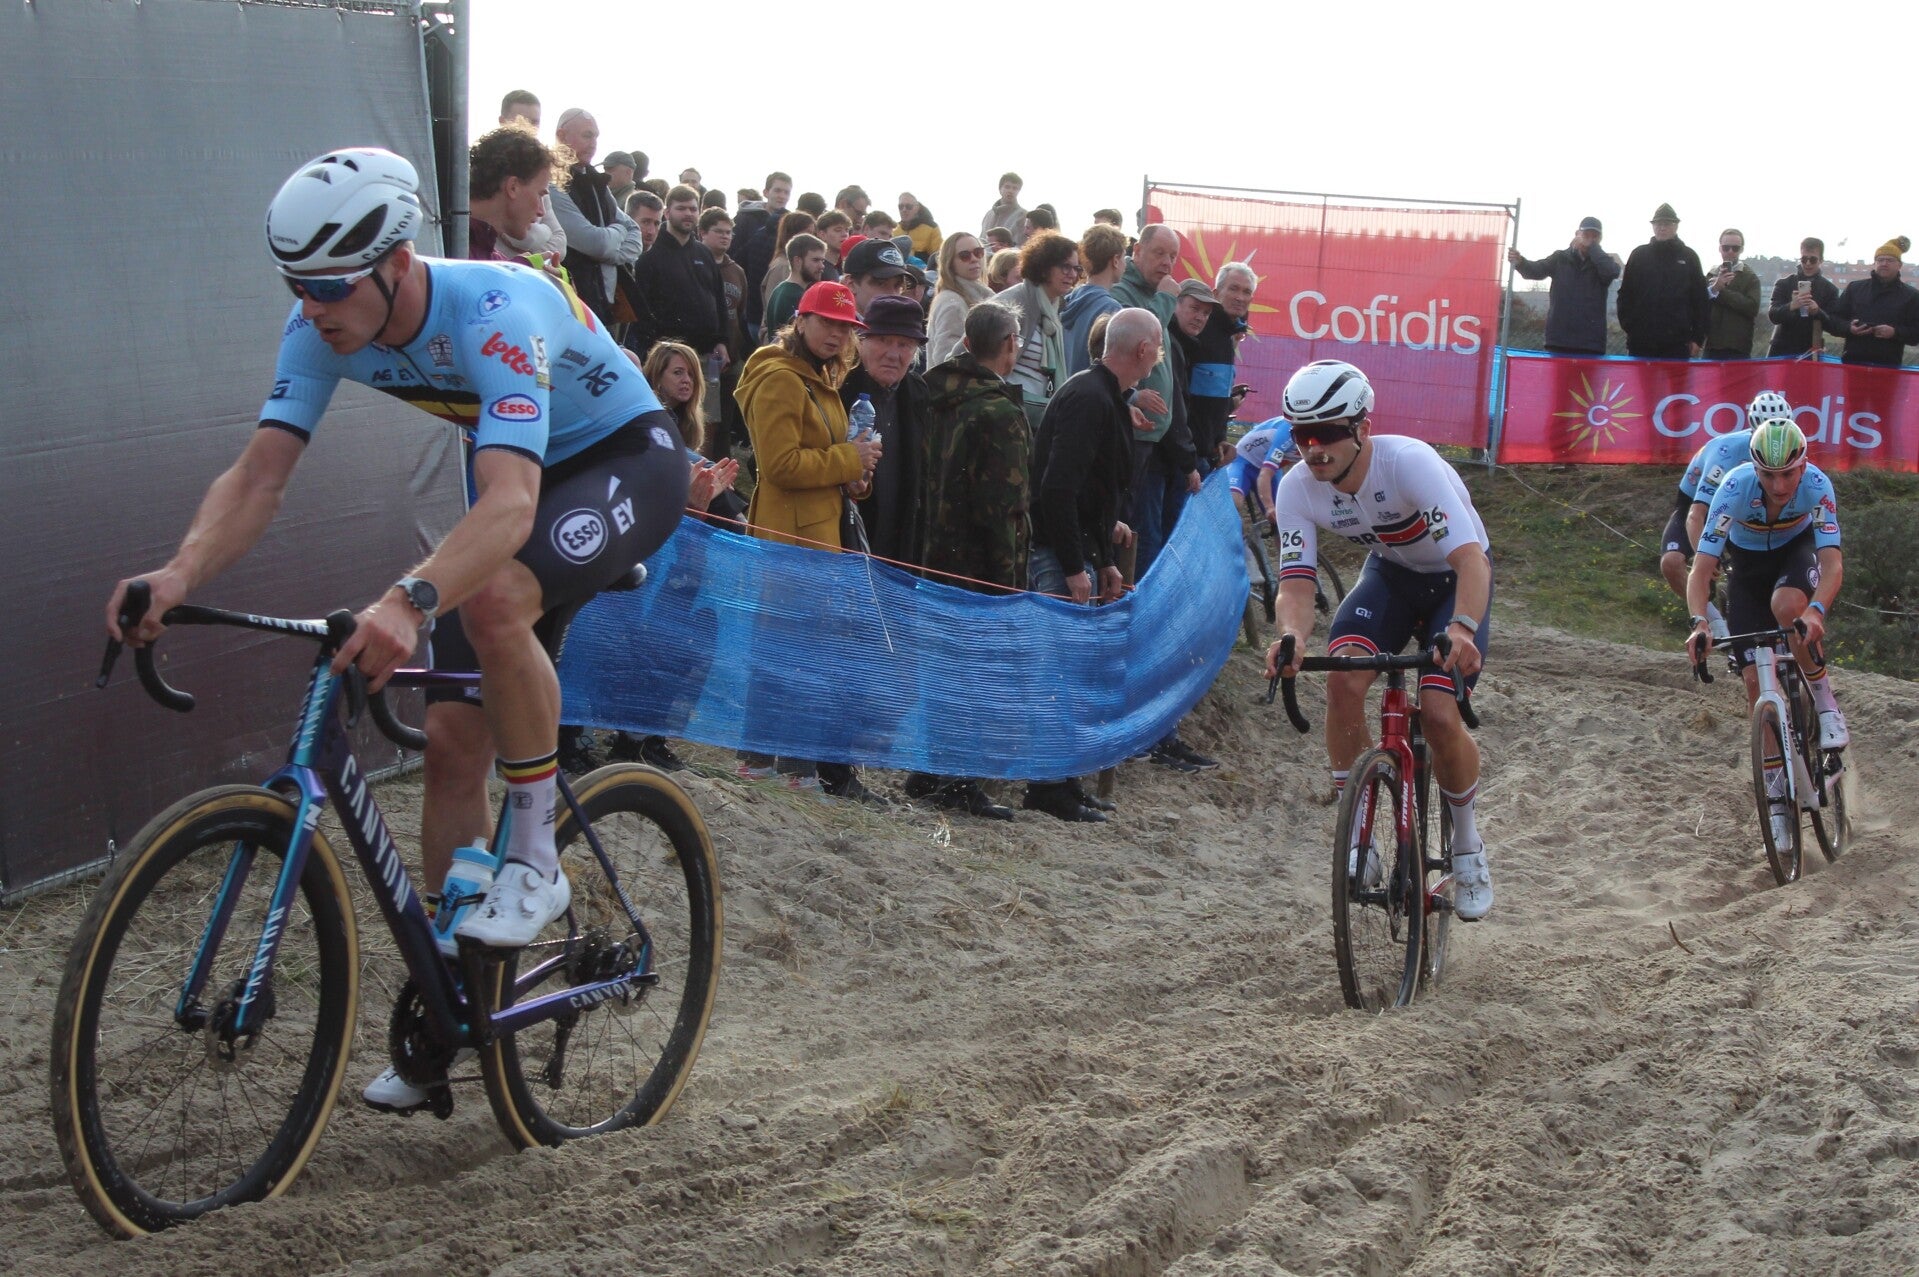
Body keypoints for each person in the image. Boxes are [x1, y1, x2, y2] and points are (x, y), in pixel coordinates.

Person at [106, 148, 691, 1111]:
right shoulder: (319, 323)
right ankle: (451, 1012)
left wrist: (408, 601)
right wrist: (177, 572)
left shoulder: (496, 309)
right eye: (297, 286)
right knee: (453, 745)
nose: (313, 306)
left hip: (624, 459)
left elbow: (511, 507)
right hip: (517, 476)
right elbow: (259, 477)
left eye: (331, 286)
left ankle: (536, 859)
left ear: (397, 263)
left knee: (494, 598)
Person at [1262, 360, 1495, 922]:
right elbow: (1296, 584)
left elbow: (1471, 561)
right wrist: (1291, 636)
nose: (1314, 449)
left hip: (1454, 580)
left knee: (1438, 712)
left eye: (1327, 433)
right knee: (1343, 680)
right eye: (1301, 435)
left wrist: (1462, 628)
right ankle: (1361, 834)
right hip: (1389, 578)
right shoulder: (1297, 488)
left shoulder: (1408, 463)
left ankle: (1468, 845)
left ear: (1362, 427)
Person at [732, 281, 882, 791]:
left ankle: (789, 765)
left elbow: (826, 462)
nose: (837, 334)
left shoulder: (817, 378)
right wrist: (848, 460)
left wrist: (857, 476)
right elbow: (779, 465)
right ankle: (765, 763)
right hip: (789, 536)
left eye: (846, 326)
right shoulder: (780, 378)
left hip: (816, 533)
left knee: (805, 650)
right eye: (827, 322)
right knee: (784, 649)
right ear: (800, 321)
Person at [1024, 309, 1161, 822]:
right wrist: (1073, 565)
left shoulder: (1109, 397)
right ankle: (1046, 786)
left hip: (1079, 549)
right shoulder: (1089, 397)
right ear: (1143, 350)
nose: (1159, 356)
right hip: (1057, 552)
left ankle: (1064, 779)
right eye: (1158, 346)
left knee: (1074, 670)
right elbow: (1057, 488)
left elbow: (1095, 490)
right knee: (1057, 671)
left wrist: (1103, 558)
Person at [1686, 419, 1850, 849]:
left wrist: (1816, 611)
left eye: (1787, 474)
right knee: (1754, 685)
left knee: (1788, 608)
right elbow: (1700, 570)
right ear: (1754, 468)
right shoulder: (1734, 488)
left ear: (1803, 466)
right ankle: (1777, 803)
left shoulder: (1817, 485)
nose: (1778, 485)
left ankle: (1826, 706)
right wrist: (1699, 622)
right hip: (1748, 571)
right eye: (1768, 475)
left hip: (1796, 554)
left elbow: (1832, 564)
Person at [907, 299, 1030, 821]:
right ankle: (958, 780)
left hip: (933, 553)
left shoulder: (934, 396)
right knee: (976, 672)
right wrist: (1009, 584)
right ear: (1008, 345)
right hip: (980, 566)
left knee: (941, 666)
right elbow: (1004, 509)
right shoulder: (999, 412)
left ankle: (927, 769)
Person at [1657, 389, 1790, 636]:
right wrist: (1706, 558)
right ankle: (1714, 623)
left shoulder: (1791, 450)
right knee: (1672, 562)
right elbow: (1696, 515)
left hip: (1741, 509)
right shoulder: (1726, 451)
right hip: (1699, 505)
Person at [1111, 224, 1184, 571]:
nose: (1167, 263)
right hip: (1130, 434)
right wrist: (1168, 299)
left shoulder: (1154, 295)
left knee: (1144, 530)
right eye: (1159, 253)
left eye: (1173, 256)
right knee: (1131, 530)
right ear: (1137, 251)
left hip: (1153, 437)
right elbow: (1136, 343)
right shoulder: (1122, 293)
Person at [548, 108, 642, 324]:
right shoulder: (553, 183)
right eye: (587, 135)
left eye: (596, 137)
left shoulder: (596, 182)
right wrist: (616, 235)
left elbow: (634, 233)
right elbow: (597, 243)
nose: (593, 144)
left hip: (603, 305)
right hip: (572, 305)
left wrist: (610, 254)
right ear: (561, 135)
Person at [628, 184, 730, 367]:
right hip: (665, 358)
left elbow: (719, 300)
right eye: (681, 208)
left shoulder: (704, 253)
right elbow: (640, 313)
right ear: (667, 213)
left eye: (693, 209)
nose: (688, 213)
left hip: (705, 355)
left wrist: (722, 340)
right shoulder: (650, 254)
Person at [1505, 216, 1620, 355]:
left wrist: (1594, 248)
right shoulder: (1560, 258)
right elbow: (1536, 270)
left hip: (1591, 342)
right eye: (1586, 235)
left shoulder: (1603, 262)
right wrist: (1520, 262)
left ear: (1600, 239)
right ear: (1577, 234)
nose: (1589, 240)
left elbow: (1612, 272)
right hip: (1559, 339)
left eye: (1594, 237)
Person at [1003, 231, 1079, 429]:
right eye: (1065, 266)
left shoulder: (1054, 308)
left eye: (1076, 268)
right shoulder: (1013, 304)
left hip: (1034, 420)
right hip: (1008, 419)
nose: (1072, 274)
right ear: (1044, 267)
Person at [465, 126, 568, 268]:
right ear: (513, 187)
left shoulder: (483, 251)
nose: (541, 211)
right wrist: (521, 272)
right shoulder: (444, 246)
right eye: (539, 195)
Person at [1616, 203, 1708, 359]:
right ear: (1653, 226)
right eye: (1658, 224)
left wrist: (1697, 337)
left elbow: (1700, 299)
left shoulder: (1689, 257)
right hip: (1641, 341)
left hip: (1678, 342)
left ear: (1676, 226)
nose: (1662, 228)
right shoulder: (1638, 255)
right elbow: (1625, 294)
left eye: (1667, 224)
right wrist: (1630, 327)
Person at [1826, 239, 1919, 367]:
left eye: (1890, 260)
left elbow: (1915, 333)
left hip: (1889, 366)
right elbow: (1833, 320)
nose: (1884, 263)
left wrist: (1895, 332)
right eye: (1880, 260)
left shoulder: (1911, 296)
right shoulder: (1855, 288)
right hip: (1853, 363)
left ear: (1899, 265)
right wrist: (1849, 328)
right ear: (1874, 264)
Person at [1060, 223, 1128, 377]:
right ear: (1115, 260)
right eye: (1123, 257)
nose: (1125, 263)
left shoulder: (1067, 300)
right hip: (1091, 389)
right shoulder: (1111, 309)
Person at [1766, 237, 1842, 358]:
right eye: (1804, 259)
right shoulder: (1784, 284)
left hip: (1810, 352)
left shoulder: (1830, 290)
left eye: (1812, 259)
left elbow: (1835, 326)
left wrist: (1817, 312)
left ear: (1821, 260)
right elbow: (1773, 316)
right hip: (1781, 350)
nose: (1807, 263)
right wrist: (1791, 306)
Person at [926, 232, 993, 366]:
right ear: (950, 263)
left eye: (978, 252)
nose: (974, 259)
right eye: (964, 256)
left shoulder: (978, 295)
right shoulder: (952, 303)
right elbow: (946, 362)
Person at [1702, 228, 1760, 359]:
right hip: (1711, 344)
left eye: (1735, 248)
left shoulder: (1750, 277)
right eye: (1726, 248)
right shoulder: (1711, 275)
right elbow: (1698, 305)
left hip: (1738, 347)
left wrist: (1720, 292)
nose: (1730, 252)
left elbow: (1752, 307)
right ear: (1720, 248)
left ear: (1741, 250)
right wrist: (1713, 289)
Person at [762, 231, 826, 341]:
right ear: (797, 261)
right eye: (815, 260)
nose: (822, 266)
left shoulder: (779, 289)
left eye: (822, 260)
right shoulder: (794, 296)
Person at [842, 237, 914, 318]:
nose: (893, 294)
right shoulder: (834, 324)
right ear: (851, 285)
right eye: (881, 284)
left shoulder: (903, 323)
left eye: (897, 286)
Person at [759, 210, 817, 300]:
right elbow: (774, 302)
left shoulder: (795, 263)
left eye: (813, 234)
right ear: (792, 234)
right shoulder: (784, 266)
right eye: (807, 233)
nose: (812, 239)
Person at [898, 192, 942, 262]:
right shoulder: (894, 229)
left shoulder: (931, 228)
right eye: (900, 207)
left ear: (917, 208)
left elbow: (938, 258)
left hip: (922, 268)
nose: (904, 210)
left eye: (908, 206)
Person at [981, 172, 1025, 242]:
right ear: (1000, 189)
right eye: (1007, 187)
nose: (1010, 191)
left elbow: (1020, 244)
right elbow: (981, 240)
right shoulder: (989, 214)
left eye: (1015, 188)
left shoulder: (1022, 215)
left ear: (1019, 191)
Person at [814, 210, 852, 279]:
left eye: (847, 230)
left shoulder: (848, 267)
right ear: (822, 234)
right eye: (838, 230)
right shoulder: (817, 269)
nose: (845, 234)